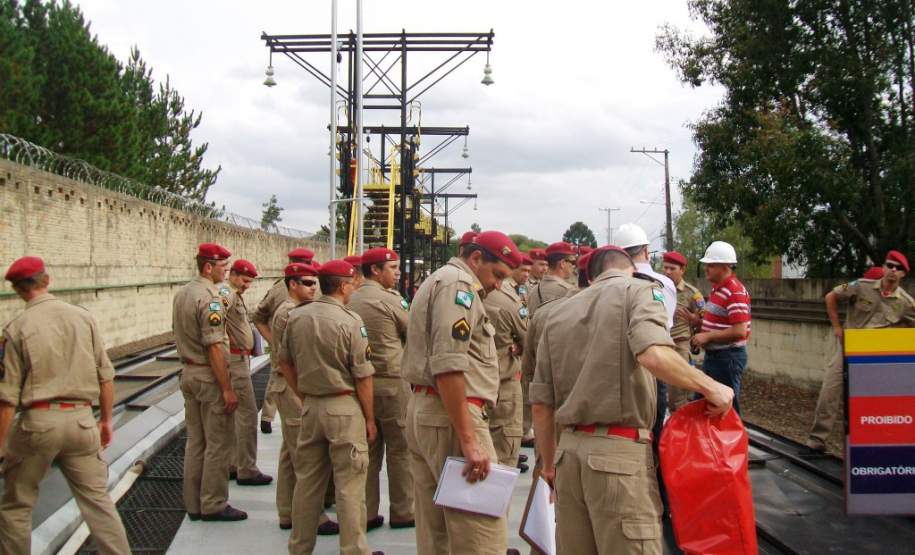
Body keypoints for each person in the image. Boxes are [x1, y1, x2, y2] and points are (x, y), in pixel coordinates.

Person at [530, 246, 734, 554]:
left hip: (567, 458)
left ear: (592, 275)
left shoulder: (556, 313)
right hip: (618, 457)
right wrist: (712, 388)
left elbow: (542, 403)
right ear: (631, 269)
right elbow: (653, 352)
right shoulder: (639, 292)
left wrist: (549, 465)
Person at [402, 230, 523, 555]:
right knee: (481, 532)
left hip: (428, 408)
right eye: (497, 274)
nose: (498, 284)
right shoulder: (460, 286)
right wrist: (470, 439)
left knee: (436, 531)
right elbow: (449, 365)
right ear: (475, 258)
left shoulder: (439, 279)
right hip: (453, 414)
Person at [0, 257, 131, 554]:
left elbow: (6, 399)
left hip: (38, 424)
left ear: (18, 290)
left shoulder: (15, 328)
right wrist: (106, 421)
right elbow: (106, 377)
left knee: (16, 505)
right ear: (46, 280)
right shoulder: (83, 318)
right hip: (83, 421)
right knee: (98, 502)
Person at [278, 259, 381, 555]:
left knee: (308, 483)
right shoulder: (351, 322)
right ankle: (354, 549)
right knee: (350, 485)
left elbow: (283, 361)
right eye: (352, 283)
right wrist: (370, 418)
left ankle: (299, 547)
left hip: (310, 407)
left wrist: (305, 393)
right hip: (344, 408)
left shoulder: (296, 317)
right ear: (344, 285)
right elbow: (363, 376)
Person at [803, 250, 915, 454]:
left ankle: (873, 442)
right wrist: (836, 327)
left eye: (898, 268)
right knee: (830, 388)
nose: (893, 270)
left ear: (903, 275)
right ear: (883, 267)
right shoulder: (860, 285)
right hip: (849, 347)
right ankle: (817, 440)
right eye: (890, 265)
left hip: (876, 357)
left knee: (874, 400)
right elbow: (831, 296)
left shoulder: (905, 302)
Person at [173, 243, 245, 521]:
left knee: (196, 442)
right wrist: (226, 388)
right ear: (208, 267)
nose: (226, 274)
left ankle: (193, 503)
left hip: (189, 373)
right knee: (218, 443)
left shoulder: (183, 293)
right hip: (208, 376)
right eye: (223, 268)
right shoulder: (210, 298)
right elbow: (214, 345)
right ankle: (213, 503)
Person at [347, 247, 415, 530]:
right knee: (400, 450)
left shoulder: (350, 298)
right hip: (391, 381)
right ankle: (402, 511)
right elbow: (410, 331)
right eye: (393, 268)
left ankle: (368, 512)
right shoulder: (390, 300)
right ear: (376, 270)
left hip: (360, 384)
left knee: (369, 453)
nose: (397, 274)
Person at [269, 262, 338, 533]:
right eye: (307, 283)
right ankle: (313, 516)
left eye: (315, 283)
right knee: (305, 457)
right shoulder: (291, 313)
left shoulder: (292, 311)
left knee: (290, 453)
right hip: (293, 386)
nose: (313, 288)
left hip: (289, 385)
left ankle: (288, 511)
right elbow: (293, 357)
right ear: (292, 284)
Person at [221, 259, 272, 486]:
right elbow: (215, 324)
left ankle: (233, 463)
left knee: (235, 417)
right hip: (235, 361)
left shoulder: (234, 294)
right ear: (232, 274)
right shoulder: (226, 294)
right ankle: (247, 468)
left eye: (250, 282)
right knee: (248, 414)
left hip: (240, 358)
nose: (246, 285)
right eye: (244, 280)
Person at [254, 247, 316, 434]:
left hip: (286, 349)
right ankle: (267, 416)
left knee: (277, 379)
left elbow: (258, 317)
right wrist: (276, 341)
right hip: (297, 357)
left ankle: (267, 416)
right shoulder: (312, 288)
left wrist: (273, 341)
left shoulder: (280, 288)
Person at [691, 241, 752, 414]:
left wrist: (707, 337)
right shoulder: (718, 290)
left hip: (727, 358)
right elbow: (720, 322)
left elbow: (740, 331)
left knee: (724, 407)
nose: (706, 269)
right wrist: (699, 324)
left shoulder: (734, 291)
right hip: (716, 357)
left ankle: (732, 440)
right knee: (705, 404)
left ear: (725, 266)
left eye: (711, 265)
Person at [484, 255, 530, 474]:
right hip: (504, 382)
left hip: (473, 386)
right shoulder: (507, 299)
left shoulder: (465, 293)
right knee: (503, 457)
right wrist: (518, 346)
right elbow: (528, 338)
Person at [662, 251, 706, 411]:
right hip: (659, 346)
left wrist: (695, 321)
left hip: (679, 347)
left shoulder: (692, 294)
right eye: (665, 267)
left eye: (672, 268)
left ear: (682, 270)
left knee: (676, 397)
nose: (667, 271)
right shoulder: (657, 289)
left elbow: (705, 323)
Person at [527, 242, 576, 317]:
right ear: (562, 263)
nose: (574, 266)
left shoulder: (533, 291)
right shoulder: (570, 291)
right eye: (573, 262)